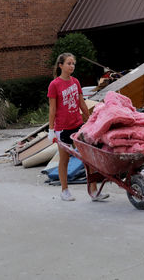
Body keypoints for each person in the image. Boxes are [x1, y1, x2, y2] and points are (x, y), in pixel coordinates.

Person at [47, 52, 109, 202]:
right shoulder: (54, 85)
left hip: (78, 125)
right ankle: (64, 190)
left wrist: (90, 120)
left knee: (89, 157)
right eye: (68, 63)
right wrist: (50, 130)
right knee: (64, 159)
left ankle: (94, 191)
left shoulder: (75, 82)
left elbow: (82, 104)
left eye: (73, 64)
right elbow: (52, 109)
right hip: (62, 128)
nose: (72, 66)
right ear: (60, 65)